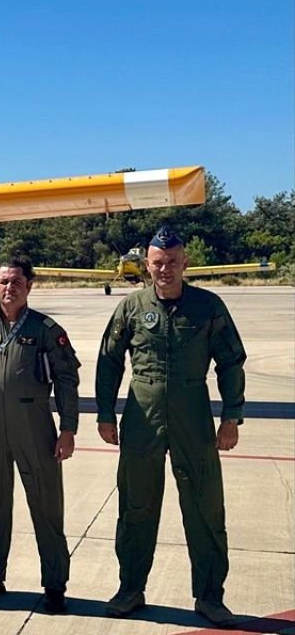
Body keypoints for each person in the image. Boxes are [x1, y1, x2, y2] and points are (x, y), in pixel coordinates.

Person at [96, 226, 247, 628]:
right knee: (136, 506)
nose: (165, 269)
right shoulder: (131, 307)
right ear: (147, 264)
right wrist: (106, 414)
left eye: (172, 262)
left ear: (186, 263)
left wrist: (231, 416)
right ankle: (130, 588)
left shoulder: (208, 307)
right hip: (141, 416)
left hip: (193, 415)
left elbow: (231, 362)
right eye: (158, 262)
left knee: (205, 506)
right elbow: (109, 361)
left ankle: (210, 597)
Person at [0, 256, 80, 613]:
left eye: (17, 282)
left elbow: (67, 380)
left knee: (46, 504)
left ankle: (55, 585)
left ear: (29, 286)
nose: (9, 288)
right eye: (3, 282)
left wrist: (68, 428)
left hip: (34, 421)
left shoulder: (45, 329)